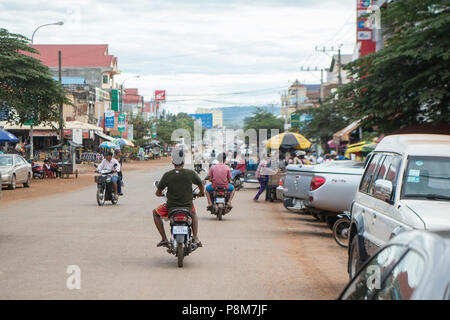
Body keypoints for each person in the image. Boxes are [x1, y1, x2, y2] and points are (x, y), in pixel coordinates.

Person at [154, 148, 204, 248]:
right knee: (194, 214)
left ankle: (164, 238)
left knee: (155, 213)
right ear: (183, 162)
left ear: (173, 162)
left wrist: (160, 194)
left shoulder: (167, 175)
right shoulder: (190, 173)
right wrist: (201, 193)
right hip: (187, 207)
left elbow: (158, 192)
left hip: (170, 207)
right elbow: (200, 183)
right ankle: (196, 237)